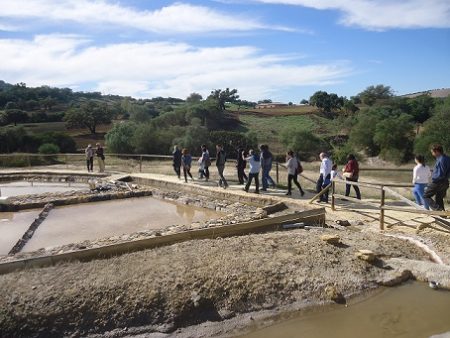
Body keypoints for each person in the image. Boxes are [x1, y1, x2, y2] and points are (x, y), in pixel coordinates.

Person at [423, 144, 450, 211]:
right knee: (439, 198)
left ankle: (438, 210)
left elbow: (440, 173)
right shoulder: (447, 158)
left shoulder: (441, 160)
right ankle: (442, 214)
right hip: (445, 182)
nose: (432, 154)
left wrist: (433, 182)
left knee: (426, 195)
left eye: (432, 152)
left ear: (437, 151)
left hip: (438, 182)